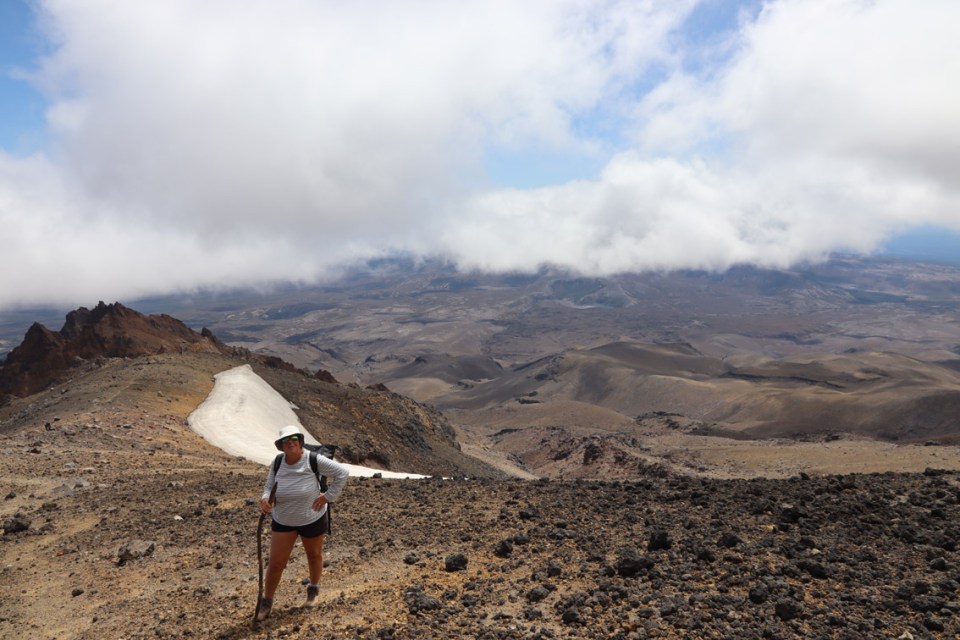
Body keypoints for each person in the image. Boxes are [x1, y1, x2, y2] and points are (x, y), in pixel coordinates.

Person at [256, 425, 349, 621]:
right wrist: (265, 499)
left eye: (294, 439)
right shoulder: (278, 462)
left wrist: (328, 497)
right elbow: (269, 486)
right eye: (286, 440)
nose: (290, 442)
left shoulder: (313, 459)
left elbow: (342, 473)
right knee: (275, 563)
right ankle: (267, 601)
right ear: (281, 446)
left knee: (314, 556)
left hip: (311, 518)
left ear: (300, 441)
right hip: (283, 520)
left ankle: (313, 589)